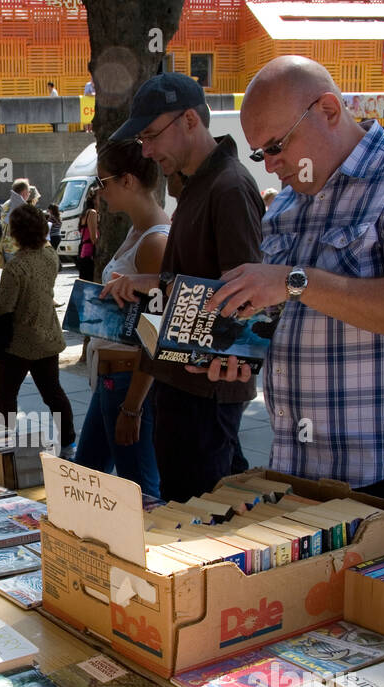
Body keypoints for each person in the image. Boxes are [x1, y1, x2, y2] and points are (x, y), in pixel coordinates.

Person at [199, 55, 384, 549]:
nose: (272, 163)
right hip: (300, 467)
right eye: (260, 153)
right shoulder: (286, 204)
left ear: (328, 110)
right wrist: (243, 352)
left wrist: (294, 280)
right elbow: (288, 315)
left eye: (277, 146)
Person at [102, 72, 264, 504]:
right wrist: (145, 289)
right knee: (195, 507)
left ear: (190, 119)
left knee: (197, 518)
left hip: (204, 391)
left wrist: (150, 283)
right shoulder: (197, 186)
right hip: (181, 384)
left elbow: (245, 299)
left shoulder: (228, 187)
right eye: (142, 141)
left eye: (152, 136)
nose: (148, 151)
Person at [73, 139, 165, 497]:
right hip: (113, 381)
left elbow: (155, 335)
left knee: (140, 494)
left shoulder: (155, 241)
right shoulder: (138, 231)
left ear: (128, 180)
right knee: (84, 483)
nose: (100, 192)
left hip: (129, 383)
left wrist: (133, 407)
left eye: (103, 182)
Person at [0, 204, 74, 457]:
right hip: (48, 336)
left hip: (18, 342)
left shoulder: (15, 267)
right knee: (53, 394)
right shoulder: (51, 257)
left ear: (16, 233)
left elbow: (4, 306)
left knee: (6, 395)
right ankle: (69, 442)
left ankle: (5, 440)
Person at [0, 178, 31, 265]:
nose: (29, 194)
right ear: (24, 192)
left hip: (7, 247)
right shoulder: (21, 206)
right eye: (29, 192)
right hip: (19, 249)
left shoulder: (6, 204)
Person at [76, 190, 99, 282]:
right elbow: (93, 238)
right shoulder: (92, 213)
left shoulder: (85, 213)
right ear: (94, 200)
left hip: (84, 253)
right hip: (89, 255)